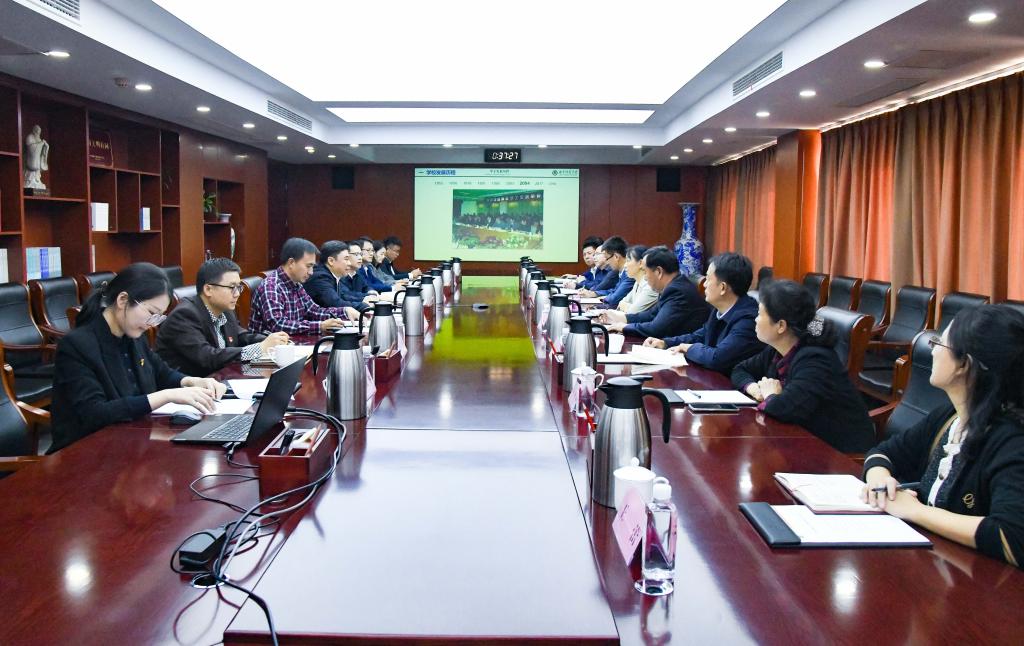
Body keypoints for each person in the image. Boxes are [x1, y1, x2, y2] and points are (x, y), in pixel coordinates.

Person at [861, 305, 1024, 567]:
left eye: (939, 343)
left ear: (964, 364)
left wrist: (915, 511)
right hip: (935, 565)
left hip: (981, 583)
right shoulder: (951, 416)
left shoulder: (1012, 441)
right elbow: (884, 452)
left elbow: (1011, 537)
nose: (933, 351)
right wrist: (880, 480)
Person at [49, 263, 227, 452]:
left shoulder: (133, 335)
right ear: (123, 300)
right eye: (151, 313)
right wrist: (166, 396)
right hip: (85, 452)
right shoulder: (76, 345)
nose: (152, 323)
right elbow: (95, 413)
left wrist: (191, 381)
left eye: (158, 317)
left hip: (130, 442)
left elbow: (161, 373)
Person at [731, 279, 874, 454]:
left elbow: (783, 409)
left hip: (840, 456)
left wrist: (770, 395)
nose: (755, 319)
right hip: (803, 442)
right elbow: (740, 370)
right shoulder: (778, 349)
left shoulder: (816, 360)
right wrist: (754, 389)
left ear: (781, 326)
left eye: (760, 314)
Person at [156, 258, 289, 376]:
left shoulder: (225, 309)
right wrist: (260, 349)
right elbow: (208, 357)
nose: (237, 294)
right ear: (208, 289)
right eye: (232, 287)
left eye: (239, 287)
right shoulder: (184, 316)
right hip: (188, 388)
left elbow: (241, 337)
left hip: (220, 380)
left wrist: (272, 341)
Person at [644, 252, 763, 374]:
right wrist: (665, 343)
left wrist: (689, 348)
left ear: (722, 288)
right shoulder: (719, 309)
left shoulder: (748, 320)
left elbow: (717, 358)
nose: (704, 285)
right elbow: (700, 335)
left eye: (708, 279)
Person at [250, 237, 359, 335]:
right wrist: (320, 326)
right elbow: (278, 325)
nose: (311, 272)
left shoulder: (297, 285)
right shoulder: (271, 287)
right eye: (308, 266)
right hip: (271, 348)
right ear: (291, 263)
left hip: (294, 343)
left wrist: (344, 311)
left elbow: (314, 310)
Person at [601, 246, 709, 339]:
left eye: (645, 271)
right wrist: (622, 318)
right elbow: (651, 314)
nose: (645, 277)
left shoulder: (677, 291)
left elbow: (656, 329)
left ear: (658, 272)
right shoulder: (673, 285)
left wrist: (624, 327)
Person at [304, 240, 371, 313]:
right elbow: (335, 303)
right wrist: (364, 306)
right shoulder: (320, 277)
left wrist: (365, 299)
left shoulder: (333, 275)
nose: (349, 263)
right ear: (331, 261)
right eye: (346, 259)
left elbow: (343, 296)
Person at [580, 236, 634, 307]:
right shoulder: (621, 272)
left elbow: (614, 298)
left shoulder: (629, 274)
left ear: (616, 257)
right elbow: (613, 291)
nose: (607, 262)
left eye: (607, 258)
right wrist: (596, 294)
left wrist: (596, 302)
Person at [616, 245, 658, 314]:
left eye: (628, 261)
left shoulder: (650, 286)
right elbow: (621, 303)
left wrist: (626, 306)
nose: (625, 265)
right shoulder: (637, 282)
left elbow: (632, 311)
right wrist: (628, 306)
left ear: (641, 263)